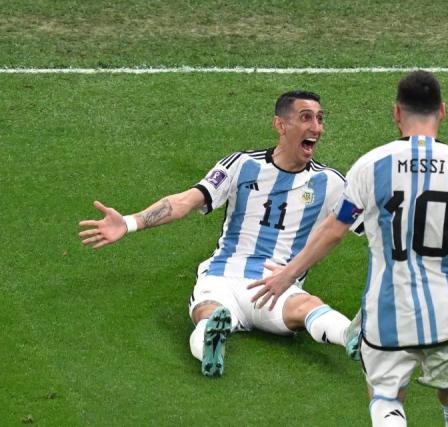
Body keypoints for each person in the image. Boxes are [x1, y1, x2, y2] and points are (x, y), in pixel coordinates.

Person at [247, 71, 448, 427]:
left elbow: (334, 231)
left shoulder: (369, 167)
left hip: (388, 311)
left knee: (385, 398)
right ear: (443, 111)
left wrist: (287, 276)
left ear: (397, 113)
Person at [78, 90, 359, 377]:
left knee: (306, 306)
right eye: (306, 118)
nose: (317, 127)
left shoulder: (331, 183)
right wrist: (129, 222)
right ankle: (212, 347)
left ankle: (350, 335)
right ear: (280, 125)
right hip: (223, 276)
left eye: (320, 119)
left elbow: (371, 223)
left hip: (275, 284)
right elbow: (186, 201)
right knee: (210, 313)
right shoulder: (242, 165)